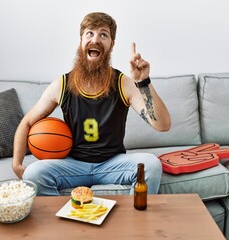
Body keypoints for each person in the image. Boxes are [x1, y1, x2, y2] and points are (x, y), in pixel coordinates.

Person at [12, 12, 171, 196]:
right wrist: (17, 163)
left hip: (113, 164)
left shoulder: (123, 83)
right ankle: (62, 219)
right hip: (73, 165)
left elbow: (163, 125)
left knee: (151, 165)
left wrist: (143, 82)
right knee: (33, 172)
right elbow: (27, 123)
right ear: (81, 40)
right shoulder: (62, 85)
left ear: (111, 44)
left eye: (103, 34)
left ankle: (133, 221)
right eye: (90, 33)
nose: (95, 39)